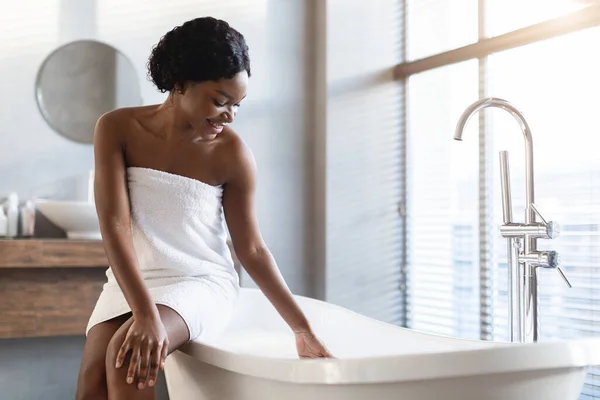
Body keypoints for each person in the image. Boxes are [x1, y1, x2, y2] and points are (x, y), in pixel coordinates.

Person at [75, 16, 332, 400]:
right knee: (91, 383)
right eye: (219, 100)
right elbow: (115, 224)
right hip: (134, 277)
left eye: (237, 105)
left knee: (125, 358)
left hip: (200, 281)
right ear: (179, 83)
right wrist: (144, 311)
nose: (229, 115)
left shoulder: (232, 154)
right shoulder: (116, 128)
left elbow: (253, 249)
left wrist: (302, 328)